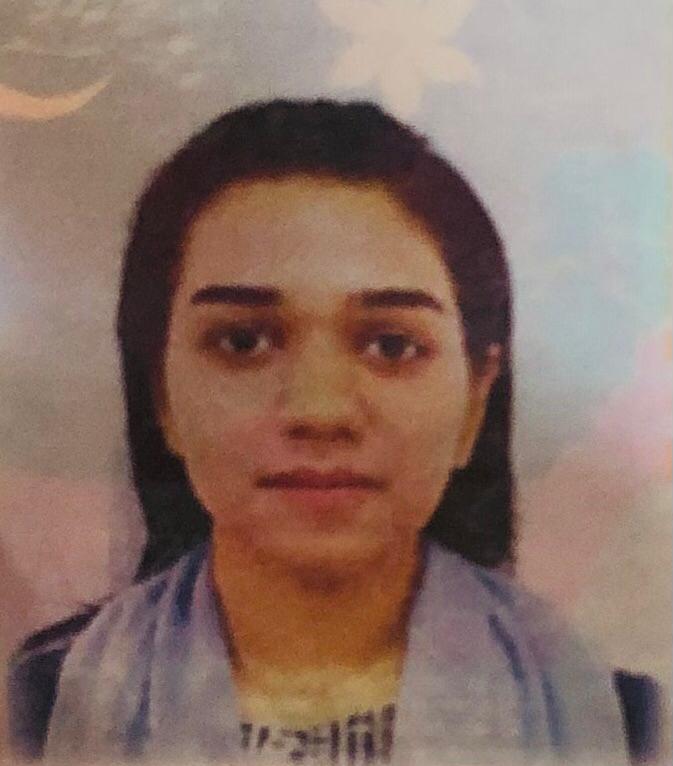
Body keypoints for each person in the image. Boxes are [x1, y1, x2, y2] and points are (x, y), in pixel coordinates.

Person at [8, 99, 633, 765]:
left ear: (475, 399)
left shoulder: (620, 726)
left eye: (391, 345)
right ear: (161, 395)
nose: (319, 410)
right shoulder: (37, 711)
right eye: (243, 341)